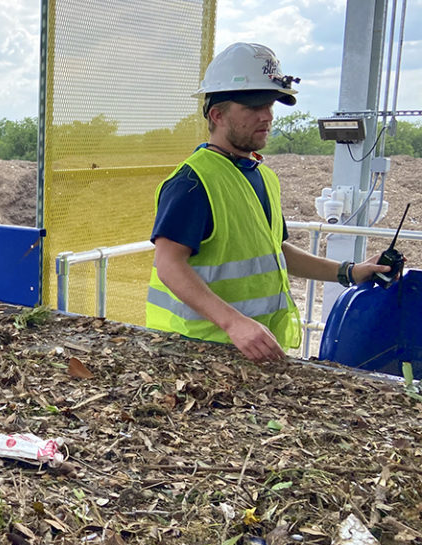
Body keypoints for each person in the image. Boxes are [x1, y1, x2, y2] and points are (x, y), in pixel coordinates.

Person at [146, 42, 392, 364]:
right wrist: (233, 322)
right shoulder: (192, 183)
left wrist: (349, 272)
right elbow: (168, 265)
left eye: (271, 104)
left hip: (250, 352)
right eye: (253, 106)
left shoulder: (263, 177)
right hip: (194, 352)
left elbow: (276, 252)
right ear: (217, 114)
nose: (267, 116)